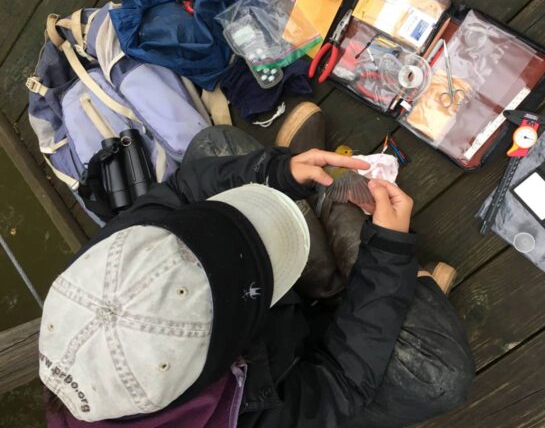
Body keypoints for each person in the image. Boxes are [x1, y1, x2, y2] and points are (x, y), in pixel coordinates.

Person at [40, 102, 475, 428]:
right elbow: (341, 383)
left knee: (216, 145)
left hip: (264, 327)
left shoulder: (95, 279)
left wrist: (276, 174)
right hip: (300, 368)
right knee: (438, 376)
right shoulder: (233, 418)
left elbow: (182, 189)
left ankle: (334, 233)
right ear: (225, 365)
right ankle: (358, 258)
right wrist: (388, 256)